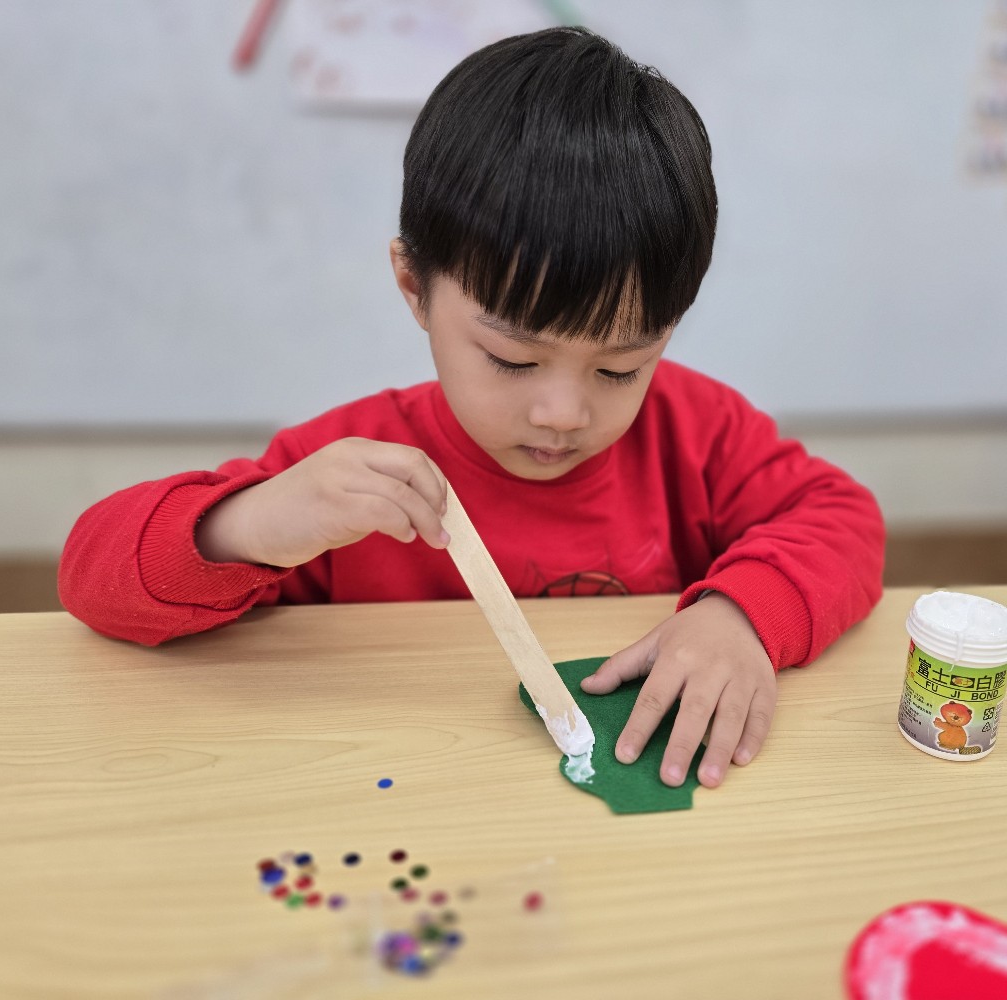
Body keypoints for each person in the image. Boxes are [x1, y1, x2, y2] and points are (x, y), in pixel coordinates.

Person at [60, 26, 884, 791]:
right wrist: (245, 525)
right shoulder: (350, 469)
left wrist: (742, 615)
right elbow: (92, 581)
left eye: (620, 367)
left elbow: (842, 519)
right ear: (413, 286)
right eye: (513, 359)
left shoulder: (695, 432)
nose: (562, 412)